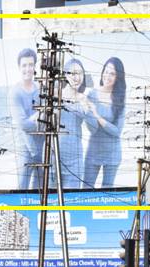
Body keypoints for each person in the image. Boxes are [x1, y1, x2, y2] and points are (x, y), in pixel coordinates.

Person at [81, 57, 126, 188]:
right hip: (94, 150)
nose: (107, 76)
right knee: (85, 191)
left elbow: (117, 131)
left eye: (112, 74)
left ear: (118, 77)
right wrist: (88, 113)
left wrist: (97, 116)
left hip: (113, 153)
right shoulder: (92, 95)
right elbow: (92, 129)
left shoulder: (120, 98)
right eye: (106, 72)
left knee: (106, 195)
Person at [8, 48, 43, 190]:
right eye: (24, 65)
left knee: (40, 188)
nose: (27, 69)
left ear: (35, 66)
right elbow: (23, 124)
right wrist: (37, 118)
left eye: (30, 65)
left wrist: (37, 119)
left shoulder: (41, 90)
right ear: (19, 67)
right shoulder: (15, 92)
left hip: (41, 145)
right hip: (24, 148)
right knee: (22, 187)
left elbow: (46, 117)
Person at [57, 57, 91, 189]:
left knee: (72, 198)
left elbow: (92, 124)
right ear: (65, 74)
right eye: (72, 73)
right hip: (54, 154)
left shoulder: (84, 99)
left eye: (80, 73)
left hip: (75, 157)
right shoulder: (55, 96)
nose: (77, 78)